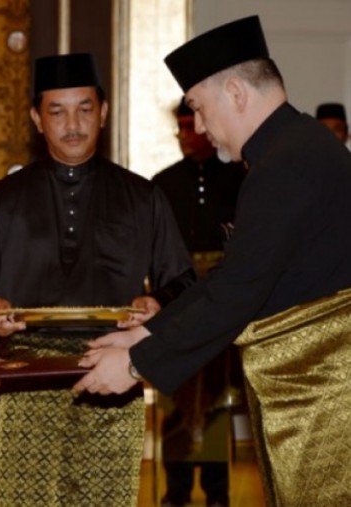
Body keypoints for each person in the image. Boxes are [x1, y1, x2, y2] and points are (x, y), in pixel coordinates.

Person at [74, 15, 351, 507]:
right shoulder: (293, 148)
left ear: (236, 93)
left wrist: (136, 366)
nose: (199, 127)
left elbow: (238, 291)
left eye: (199, 108)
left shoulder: (285, 163)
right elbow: (233, 276)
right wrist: (145, 333)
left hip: (327, 391)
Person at [0, 53, 195, 507]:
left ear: (103, 112)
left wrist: (158, 304)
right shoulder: (1, 201)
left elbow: (182, 280)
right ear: (36, 119)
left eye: (85, 109)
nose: (73, 125)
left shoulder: (143, 197)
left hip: (111, 374)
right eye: (57, 111)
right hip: (25, 381)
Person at [152, 98, 247, 507]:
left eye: (193, 127)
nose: (186, 137)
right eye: (181, 128)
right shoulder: (163, 183)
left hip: (224, 304)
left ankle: (216, 493)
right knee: (176, 397)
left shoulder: (239, 179)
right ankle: (175, 491)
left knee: (216, 400)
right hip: (177, 304)